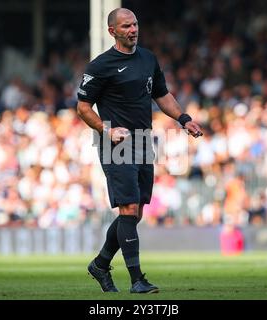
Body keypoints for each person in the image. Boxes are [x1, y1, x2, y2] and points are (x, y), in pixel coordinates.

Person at [76, 8, 202, 294]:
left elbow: (161, 94)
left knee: (134, 215)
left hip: (144, 141)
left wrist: (184, 119)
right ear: (112, 31)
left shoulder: (148, 58)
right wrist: (106, 130)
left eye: (134, 24)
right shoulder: (100, 66)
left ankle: (100, 263)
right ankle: (137, 281)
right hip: (116, 144)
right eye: (126, 26)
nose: (133, 29)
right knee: (128, 208)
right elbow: (83, 107)